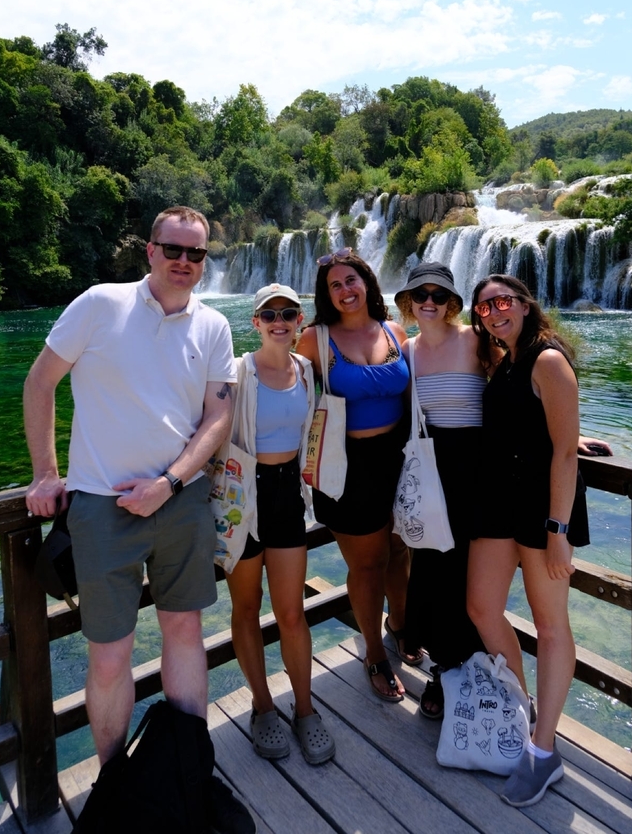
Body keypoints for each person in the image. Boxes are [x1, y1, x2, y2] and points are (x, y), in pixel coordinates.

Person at [24, 205, 254, 834]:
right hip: (100, 507)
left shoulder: (212, 326)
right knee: (109, 657)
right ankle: (116, 784)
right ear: (149, 251)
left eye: (196, 253)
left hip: (180, 503)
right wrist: (46, 473)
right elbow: (40, 382)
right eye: (173, 249)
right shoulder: (100, 304)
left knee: (184, 634)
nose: (185, 261)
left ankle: (185, 768)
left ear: (206, 260)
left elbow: (217, 418)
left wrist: (170, 482)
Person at [466, 273, 605, 809]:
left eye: (501, 302)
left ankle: (543, 751)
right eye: (483, 308)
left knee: (550, 626)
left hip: (542, 512)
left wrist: (559, 531)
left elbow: (563, 455)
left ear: (525, 304)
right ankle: (524, 709)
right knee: (481, 606)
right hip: (499, 502)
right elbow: (538, 426)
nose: (493, 312)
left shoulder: (547, 358)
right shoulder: (504, 360)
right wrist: (572, 431)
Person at [296, 248, 413, 702]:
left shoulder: (395, 331)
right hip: (347, 465)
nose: (345, 290)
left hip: (400, 458)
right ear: (327, 295)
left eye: (351, 280)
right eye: (335, 285)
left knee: (401, 550)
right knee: (367, 565)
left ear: (367, 282)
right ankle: (373, 653)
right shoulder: (315, 340)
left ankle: (400, 625)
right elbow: (287, 394)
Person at [225, 283, 335, 765]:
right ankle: (263, 706)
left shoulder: (308, 370)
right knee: (247, 609)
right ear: (255, 322)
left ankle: (305, 709)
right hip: (242, 499)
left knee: (292, 613)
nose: (279, 321)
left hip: (288, 496)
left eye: (288, 313)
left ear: (299, 321)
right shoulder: (236, 372)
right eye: (269, 313)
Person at [394, 263, 489, 720]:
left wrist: (569, 435)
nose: (428, 301)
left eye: (437, 294)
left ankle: (467, 669)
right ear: (408, 302)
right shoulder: (407, 351)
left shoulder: (476, 339)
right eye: (419, 294)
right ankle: (443, 669)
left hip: (476, 472)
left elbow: (521, 390)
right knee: (431, 574)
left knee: (468, 577)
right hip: (431, 476)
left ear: (451, 302)